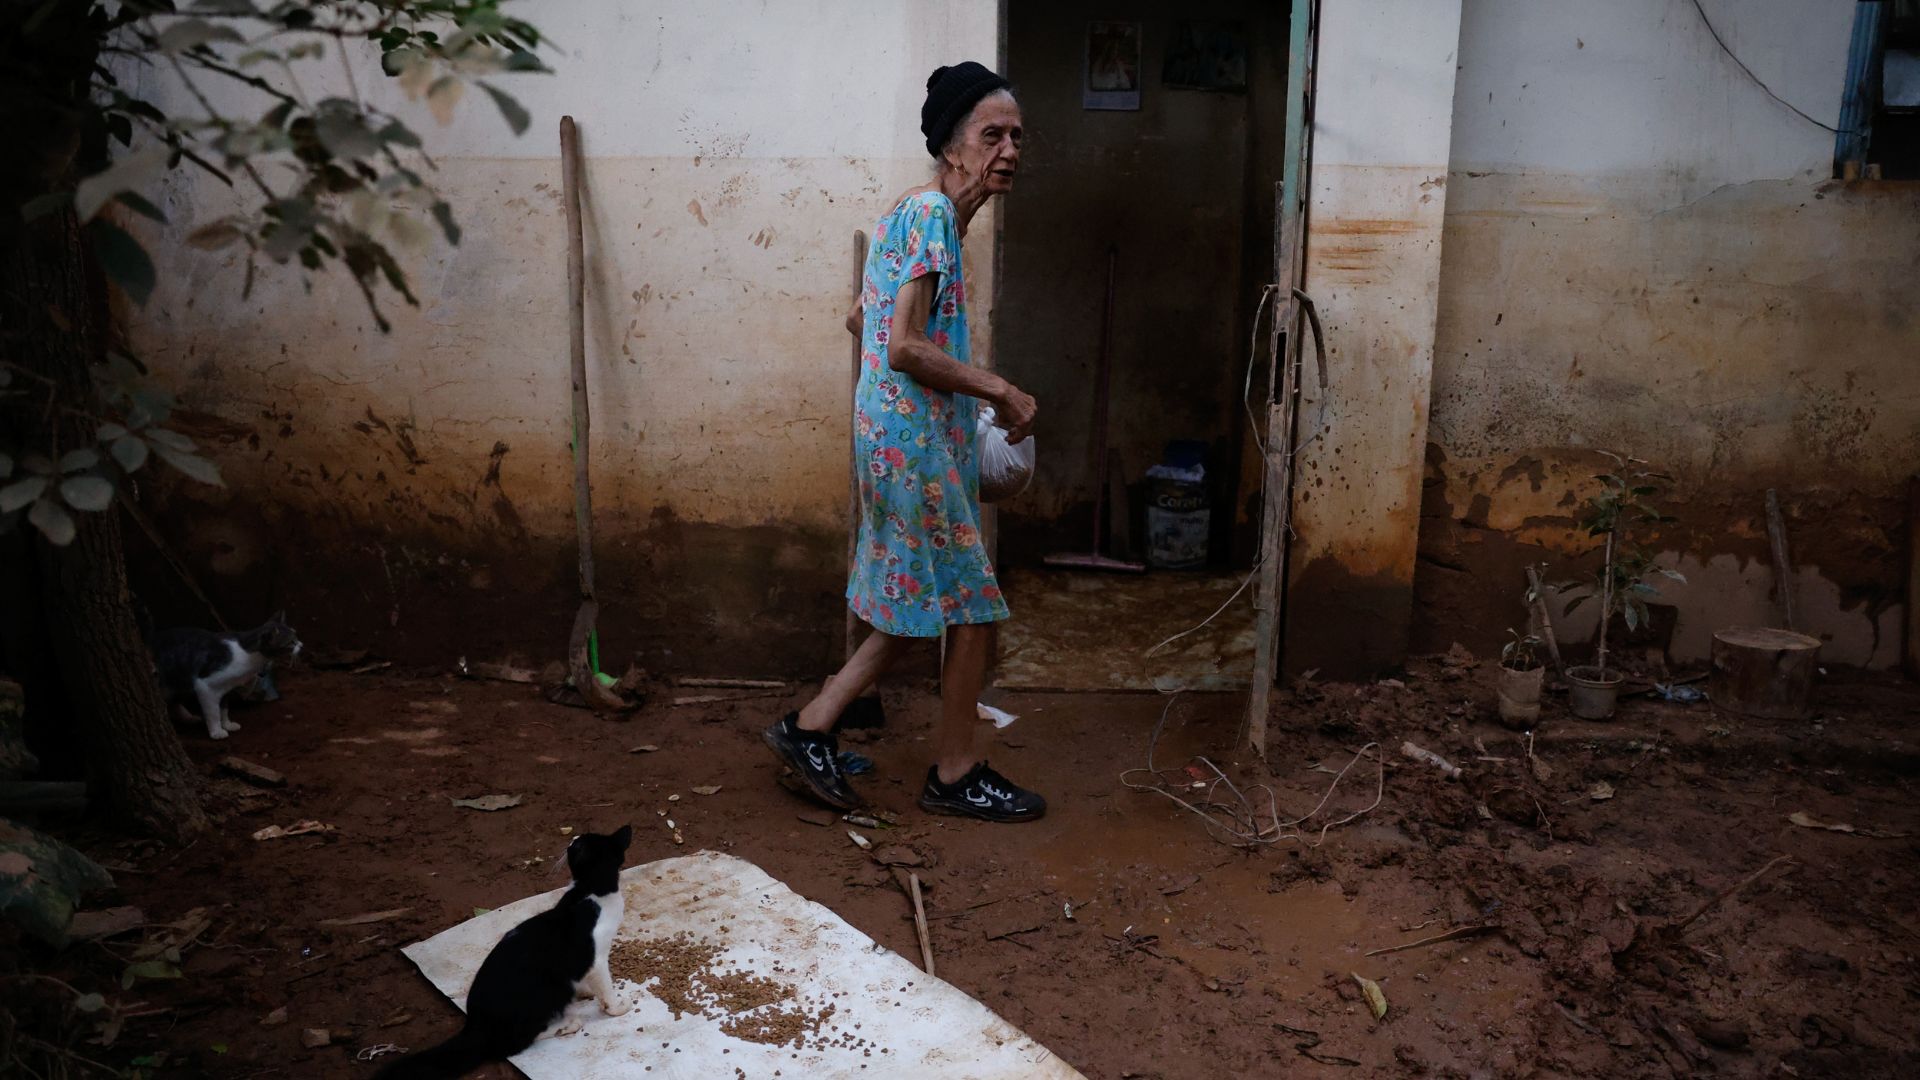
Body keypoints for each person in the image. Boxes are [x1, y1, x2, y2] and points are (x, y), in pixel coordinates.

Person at [763, 62, 1045, 823]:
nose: (1009, 150)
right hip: (912, 448)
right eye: (992, 135)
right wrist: (998, 392)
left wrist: (931, 407)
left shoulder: (926, 216)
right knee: (968, 607)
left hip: (907, 440)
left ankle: (810, 728)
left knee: (921, 600)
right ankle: (954, 773)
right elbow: (903, 345)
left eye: (1017, 137)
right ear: (951, 146)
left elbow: (864, 317)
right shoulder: (930, 215)